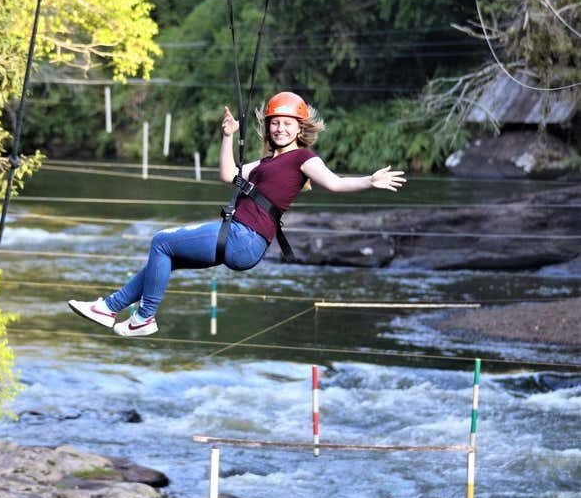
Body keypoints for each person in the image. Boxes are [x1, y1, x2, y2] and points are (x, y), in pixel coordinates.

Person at [68, 91, 406, 337]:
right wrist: (227, 136)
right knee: (165, 257)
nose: (280, 129)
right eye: (275, 124)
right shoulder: (268, 162)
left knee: (161, 242)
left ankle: (144, 317)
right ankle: (108, 307)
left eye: (288, 124)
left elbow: (333, 184)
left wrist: (370, 181)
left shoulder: (304, 158)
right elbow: (229, 175)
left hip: (245, 237)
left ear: (300, 128)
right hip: (242, 239)